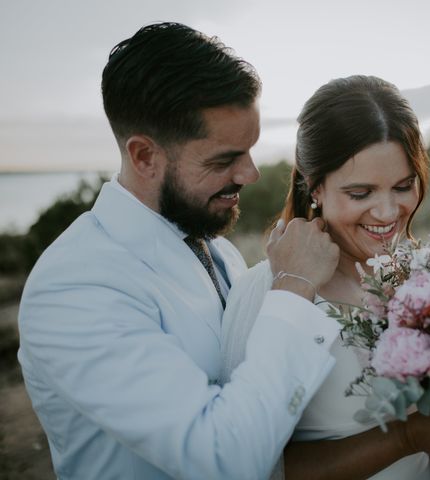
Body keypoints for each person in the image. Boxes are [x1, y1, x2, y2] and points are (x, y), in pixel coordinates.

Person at [17, 22, 343, 479]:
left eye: (249, 151)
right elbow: (222, 457)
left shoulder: (220, 251)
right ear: (145, 156)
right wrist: (294, 288)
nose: (250, 174)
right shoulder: (74, 288)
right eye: (224, 159)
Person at [222, 76, 430, 479]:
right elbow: (247, 466)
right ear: (315, 188)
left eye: (403, 185)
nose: (387, 212)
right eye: (360, 194)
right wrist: (406, 437)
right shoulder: (268, 294)